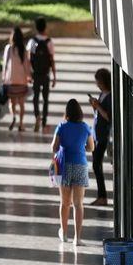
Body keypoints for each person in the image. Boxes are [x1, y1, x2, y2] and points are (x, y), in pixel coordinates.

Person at [52, 99, 94, 246]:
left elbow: (54, 147)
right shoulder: (85, 127)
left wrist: (63, 147)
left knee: (65, 203)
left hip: (64, 166)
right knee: (78, 204)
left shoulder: (61, 127)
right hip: (80, 166)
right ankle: (77, 238)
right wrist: (80, 147)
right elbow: (91, 147)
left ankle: (63, 234)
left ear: (67, 113)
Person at [27, 17, 56, 132]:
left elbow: (29, 59)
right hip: (46, 74)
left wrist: (29, 74)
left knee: (35, 97)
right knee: (45, 98)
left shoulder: (32, 41)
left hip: (36, 74)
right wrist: (54, 75)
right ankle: (44, 122)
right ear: (45, 27)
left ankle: (37, 117)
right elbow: (52, 60)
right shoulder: (49, 42)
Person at [88, 68, 112, 206]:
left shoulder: (109, 97)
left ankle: (102, 196)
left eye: (98, 82)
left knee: (97, 165)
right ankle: (101, 196)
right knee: (96, 165)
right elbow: (99, 113)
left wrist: (98, 106)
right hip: (97, 134)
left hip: (103, 136)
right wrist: (95, 106)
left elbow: (108, 116)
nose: (97, 85)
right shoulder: (102, 94)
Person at [2, 27, 31, 131]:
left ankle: (13, 116)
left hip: (11, 80)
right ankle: (21, 123)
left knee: (12, 102)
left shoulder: (8, 48)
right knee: (22, 103)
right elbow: (26, 65)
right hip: (22, 80)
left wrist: (3, 77)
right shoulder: (24, 49)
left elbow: (5, 64)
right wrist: (29, 77)